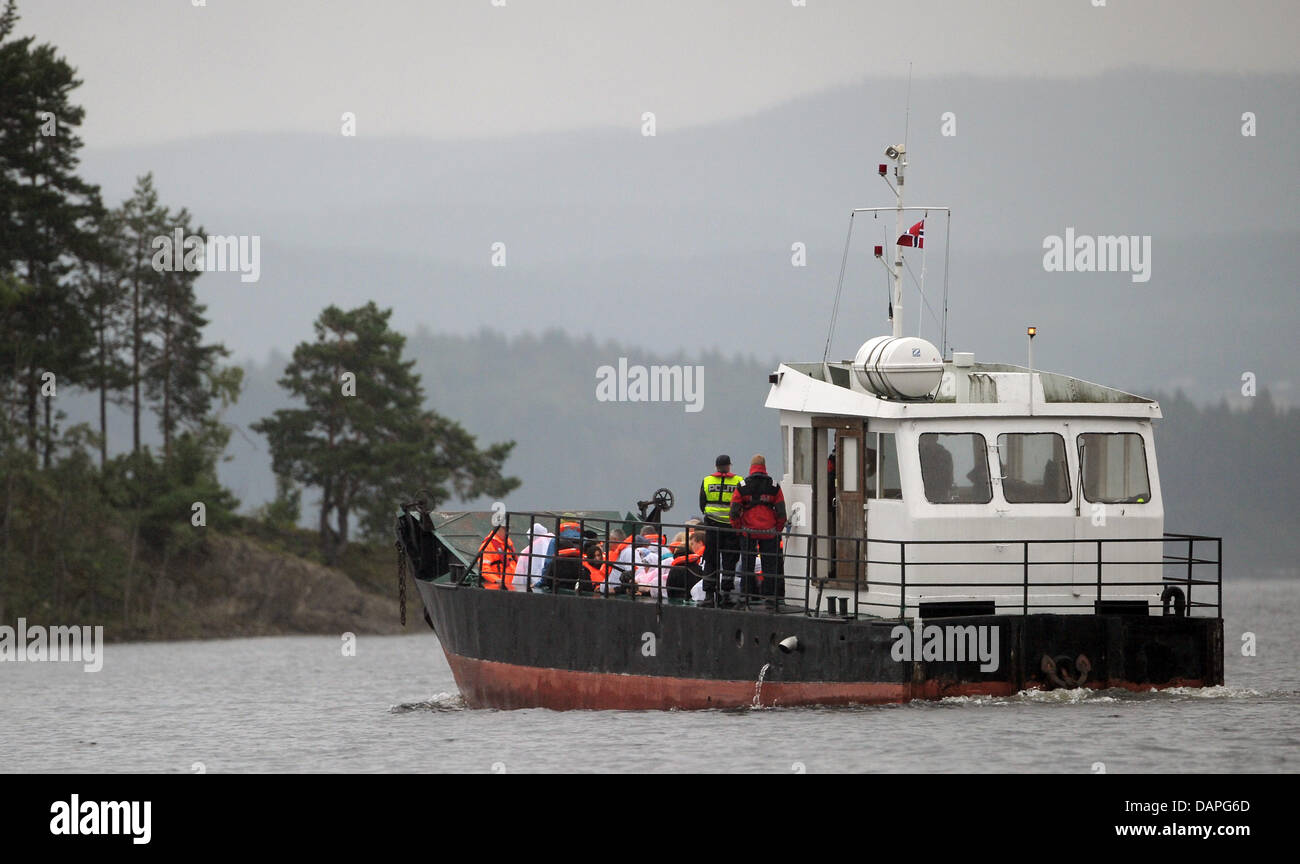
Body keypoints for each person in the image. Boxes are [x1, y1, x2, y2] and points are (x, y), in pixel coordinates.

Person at [730, 454, 787, 606]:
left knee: (747, 564)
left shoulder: (742, 485)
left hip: (748, 531)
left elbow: (734, 510)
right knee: (770, 565)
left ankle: (746, 595)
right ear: (764, 466)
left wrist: (738, 528)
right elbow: (781, 511)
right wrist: (778, 529)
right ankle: (770, 597)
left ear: (751, 467)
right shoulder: (774, 486)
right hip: (769, 531)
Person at [698, 454, 743, 603]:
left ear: (716, 467)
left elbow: (702, 504)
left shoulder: (707, 480)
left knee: (710, 559)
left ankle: (709, 595)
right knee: (729, 560)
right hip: (731, 527)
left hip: (712, 526)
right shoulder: (738, 481)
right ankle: (726, 594)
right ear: (729, 466)